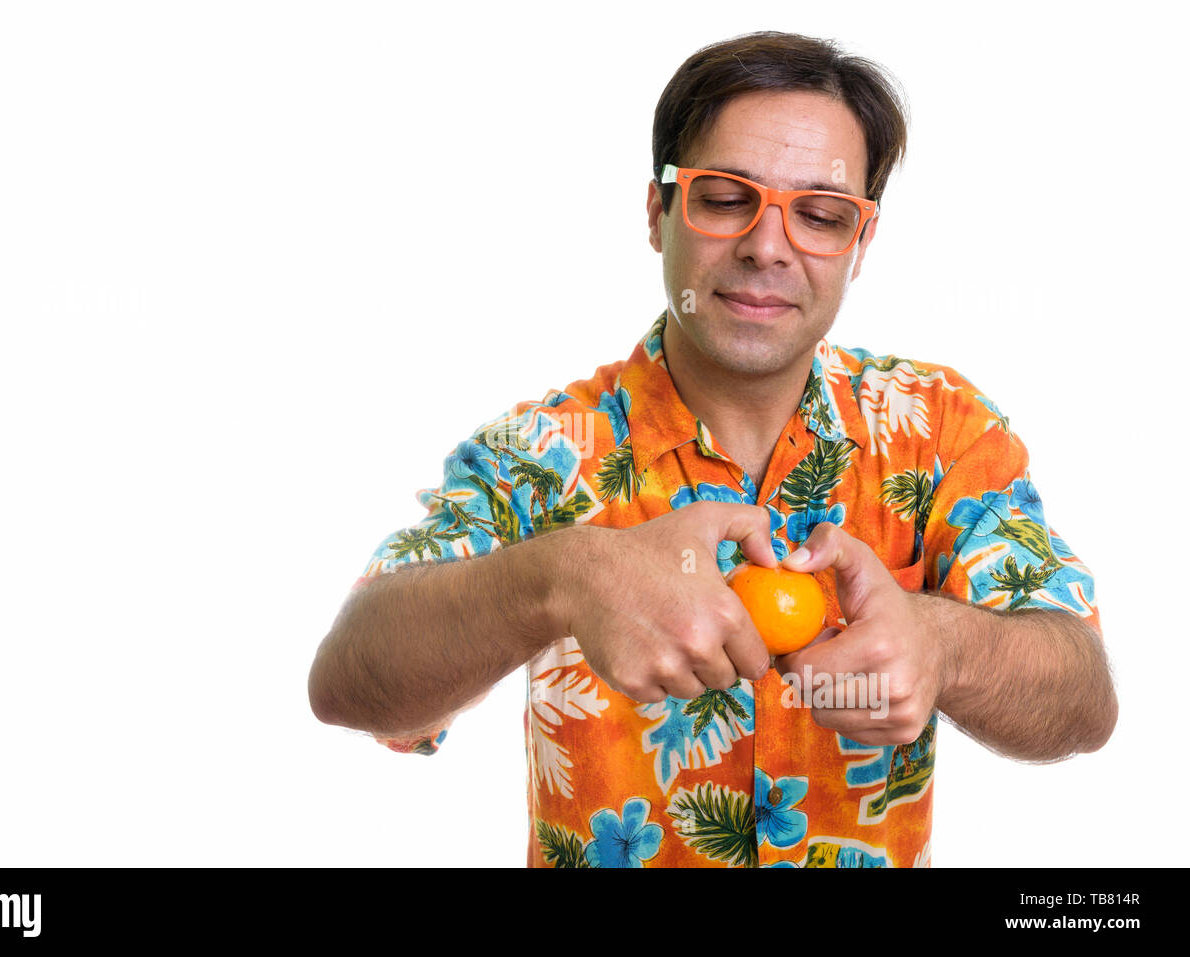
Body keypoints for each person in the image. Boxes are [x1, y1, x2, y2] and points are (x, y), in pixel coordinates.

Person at [307, 31, 1117, 868]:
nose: (769, 246)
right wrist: (561, 576)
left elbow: (1083, 699)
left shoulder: (939, 429)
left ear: (861, 245)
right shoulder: (539, 453)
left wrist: (943, 645)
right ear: (658, 215)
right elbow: (348, 683)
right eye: (726, 197)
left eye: (821, 213)